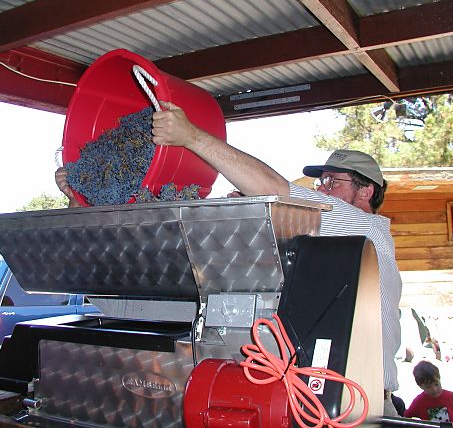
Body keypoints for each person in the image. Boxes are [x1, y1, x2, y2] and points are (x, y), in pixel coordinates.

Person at [149, 101, 402, 416]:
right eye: (321, 182)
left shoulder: (370, 232)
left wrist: (191, 137)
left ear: (366, 192)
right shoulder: (324, 251)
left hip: (361, 404)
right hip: (313, 401)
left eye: (333, 182)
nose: (322, 189)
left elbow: (275, 190)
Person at [405, 361, 453, 428]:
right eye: (428, 387)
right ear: (420, 386)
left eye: (436, 384)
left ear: (439, 379)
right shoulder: (418, 402)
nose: (434, 389)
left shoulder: (449, 396)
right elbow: (405, 418)